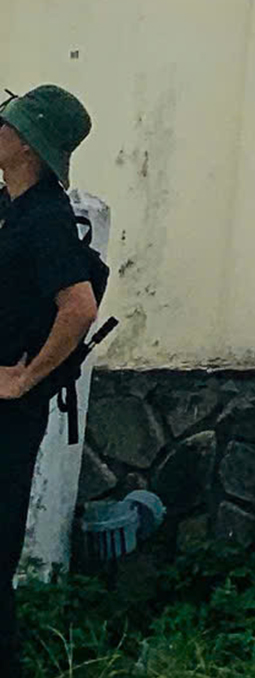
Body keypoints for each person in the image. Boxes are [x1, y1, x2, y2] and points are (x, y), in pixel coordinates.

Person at [0, 87, 94, 678]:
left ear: (28, 145)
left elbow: (79, 307)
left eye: (5, 123)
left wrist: (26, 379)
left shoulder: (47, 217)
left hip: (9, 411)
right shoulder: (10, 206)